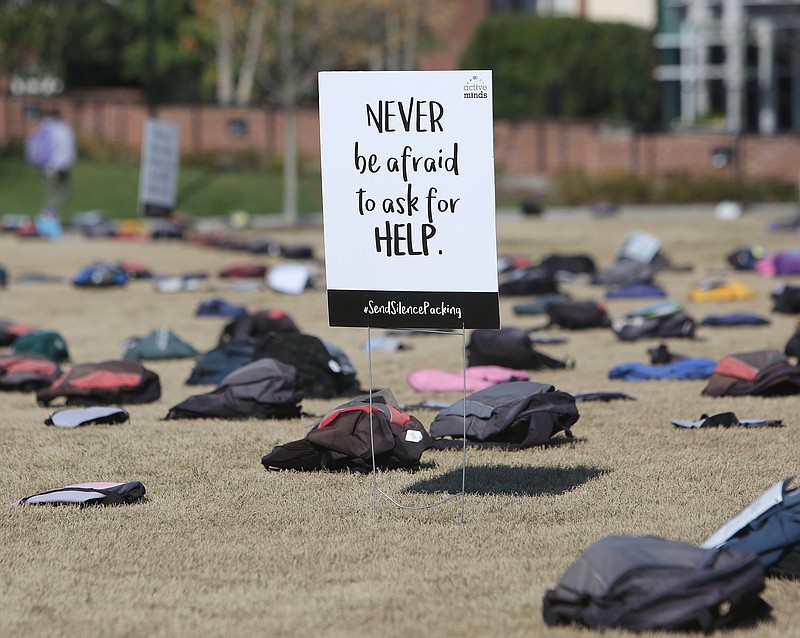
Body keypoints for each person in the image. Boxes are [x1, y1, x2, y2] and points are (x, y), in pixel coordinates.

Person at [25, 109, 77, 223]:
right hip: (58, 165)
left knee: (52, 192)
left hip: (45, 166)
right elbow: (66, 149)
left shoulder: (43, 127)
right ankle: (47, 217)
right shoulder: (62, 129)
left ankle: (49, 216)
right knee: (60, 193)